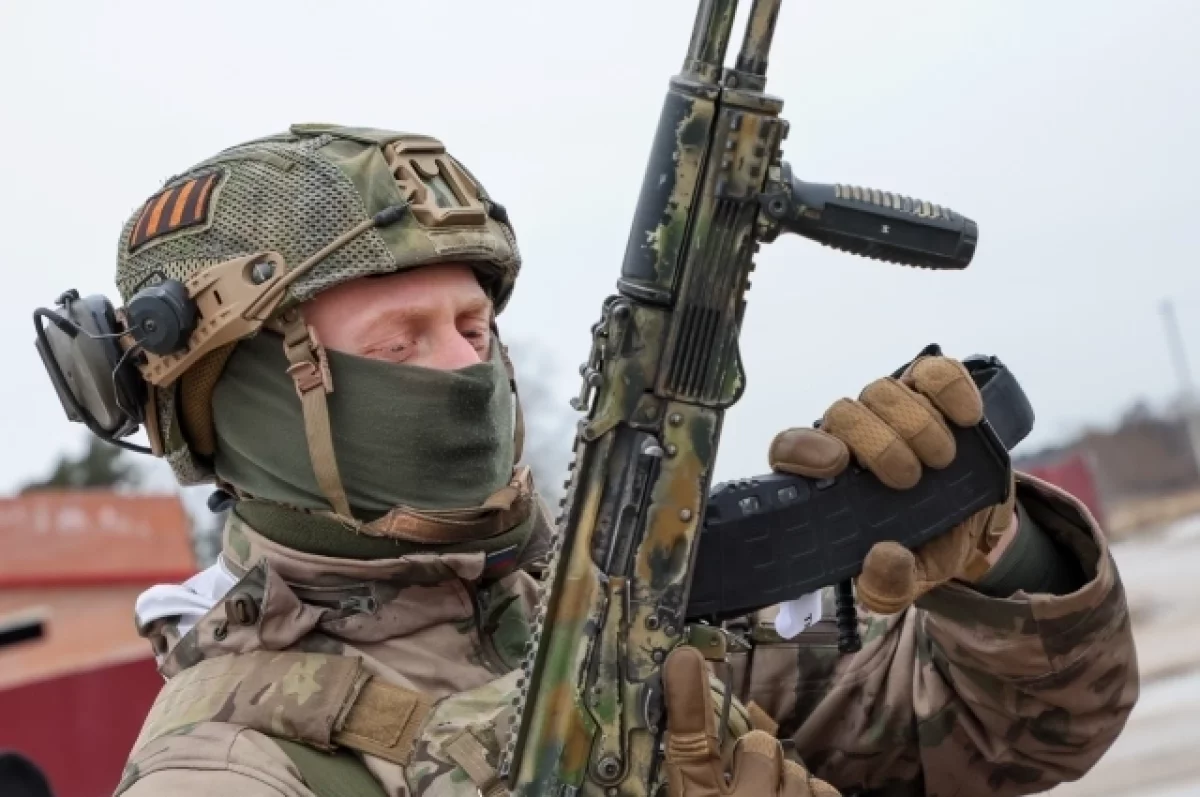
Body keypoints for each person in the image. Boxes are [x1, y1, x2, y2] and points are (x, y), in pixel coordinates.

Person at [86, 126, 1134, 797]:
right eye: (398, 344)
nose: (463, 366)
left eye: (472, 326)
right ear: (251, 407)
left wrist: (998, 556)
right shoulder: (225, 767)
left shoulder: (616, 609)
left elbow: (1014, 735)